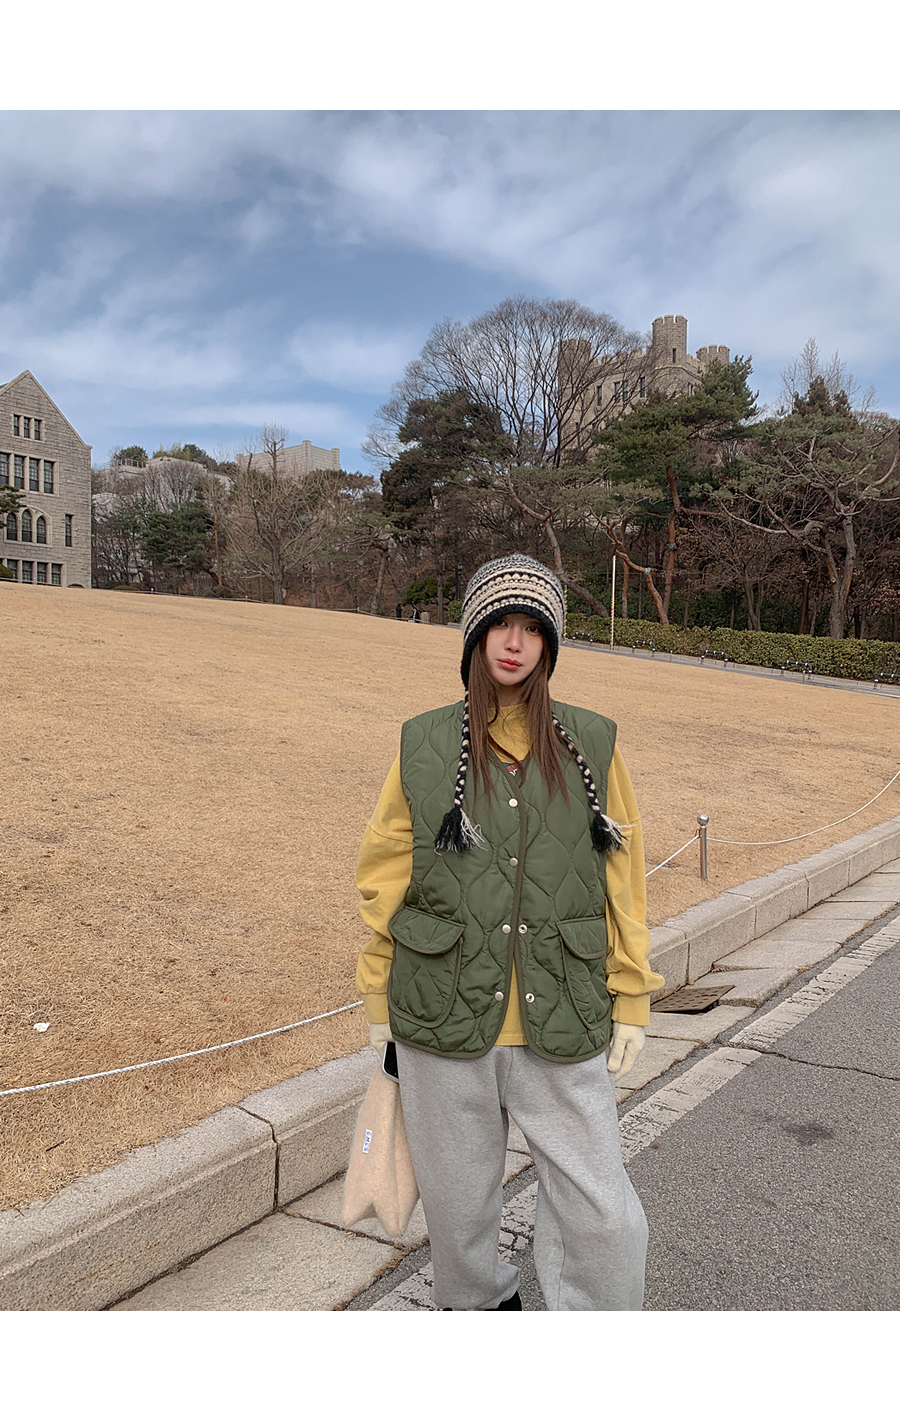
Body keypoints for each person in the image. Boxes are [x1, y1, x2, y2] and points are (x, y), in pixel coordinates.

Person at [355, 554, 664, 1310]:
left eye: (532, 627)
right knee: (458, 1213)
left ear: (550, 642)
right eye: (500, 624)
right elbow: (386, 874)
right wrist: (377, 997)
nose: (515, 642)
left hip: (564, 1008)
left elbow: (623, 878)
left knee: (602, 1214)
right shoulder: (425, 743)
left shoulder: (592, 742)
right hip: (440, 1011)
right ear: (475, 635)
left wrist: (631, 994)